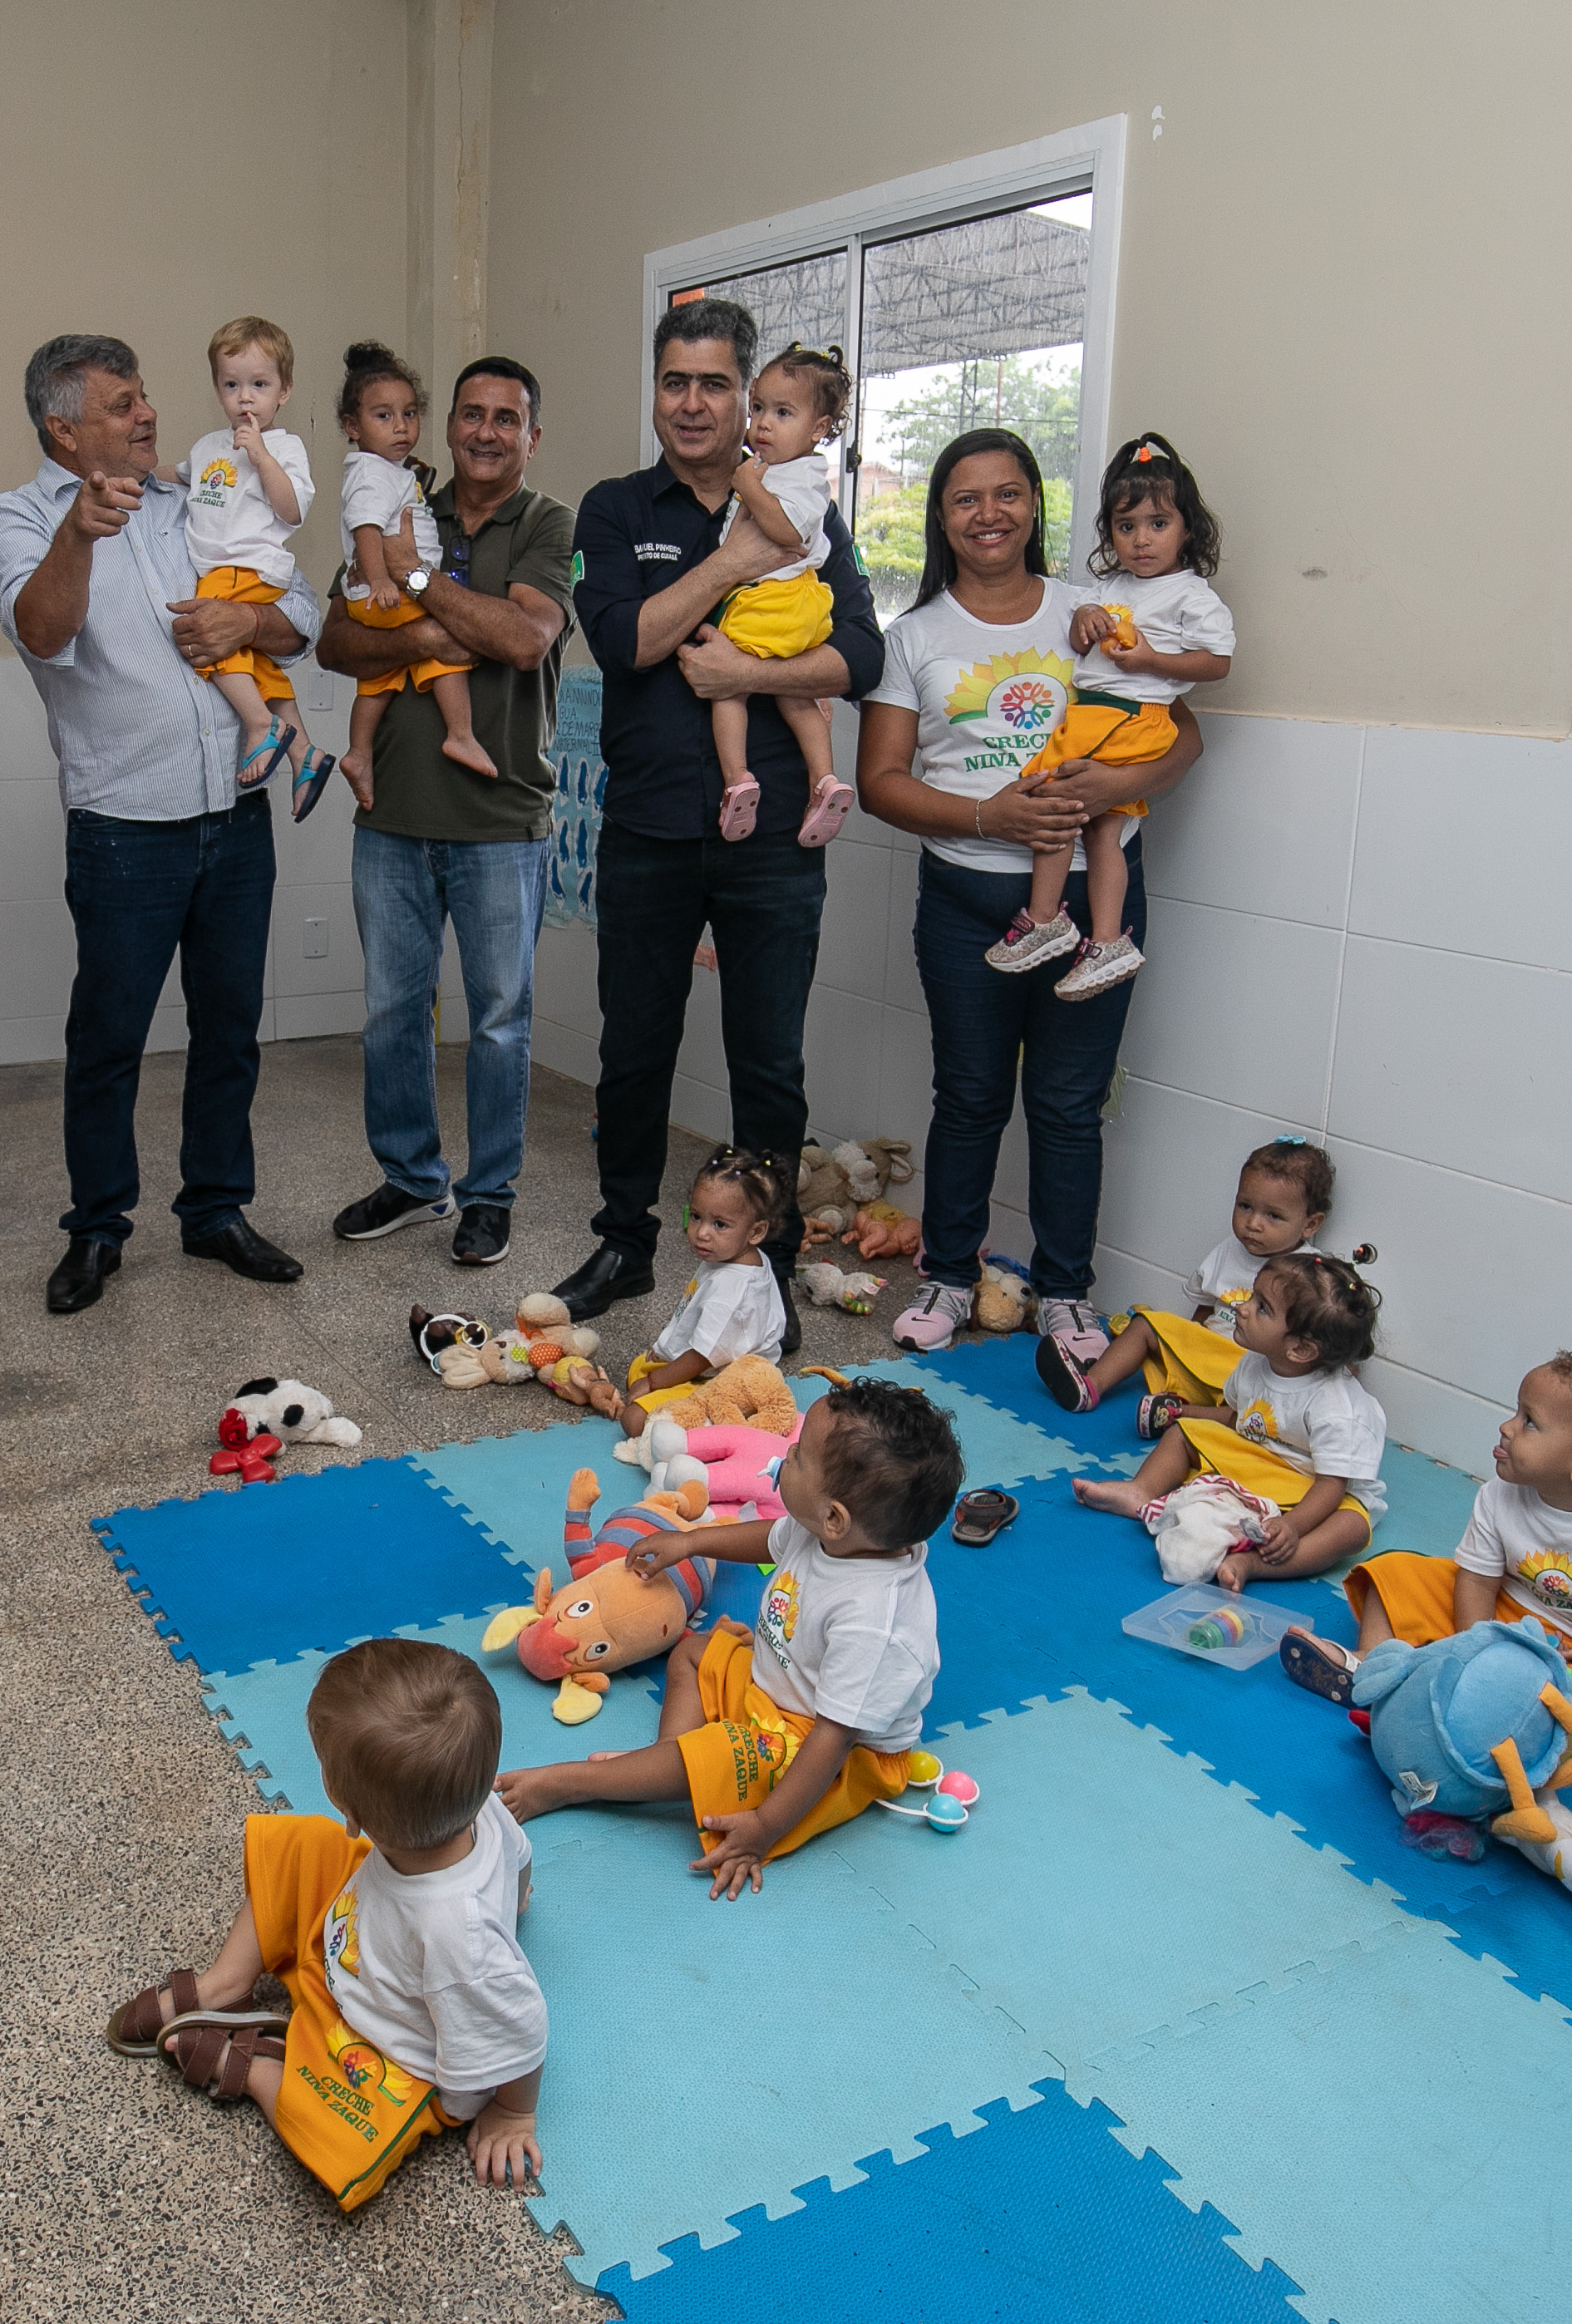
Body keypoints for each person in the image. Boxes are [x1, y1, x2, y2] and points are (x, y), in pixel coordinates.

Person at [549, 300, 884, 1350]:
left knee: (767, 1062)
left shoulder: (809, 508)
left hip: (773, 835)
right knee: (633, 1050)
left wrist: (748, 674)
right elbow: (624, 641)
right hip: (647, 829)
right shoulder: (613, 508)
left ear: (745, 397)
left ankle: (767, 1267)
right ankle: (624, 1242)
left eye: (714, 385)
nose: (692, 404)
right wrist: (737, 561)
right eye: (673, 382)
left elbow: (862, 655)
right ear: (654, 390)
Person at [0, 332, 318, 1315]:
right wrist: (78, 535)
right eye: (122, 403)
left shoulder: (191, 492)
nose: (148, 414)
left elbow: (299, 613)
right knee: (109, 1040)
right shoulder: (17, 518)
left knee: (231, 1030)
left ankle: (214, 1212)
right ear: (63, 428)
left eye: (143, 396)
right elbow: (41, 632)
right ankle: (96, 1229)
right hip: (125, 827)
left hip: (235, 815)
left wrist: (249, 624)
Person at [855, 427, 1205, 1362]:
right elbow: (880, 782)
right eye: (966, 498)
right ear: (941, 518)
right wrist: (990, 817)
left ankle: (1065, 1292)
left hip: (1095, 910)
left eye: (1007, 493)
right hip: (967, 903)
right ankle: (948, 1275)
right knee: (969, 1096)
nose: (989, 514)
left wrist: (1114, 787)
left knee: (1068, 1103)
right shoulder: (913, 637)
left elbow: (1183, 737)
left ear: (1035, 506)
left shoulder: (1096, 611)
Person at [102, 1637, 547, 2207]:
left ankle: (262, 2070)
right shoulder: (481, 1805)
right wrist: (514, 1896)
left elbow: (522, 2027)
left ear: (351, 1813)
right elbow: (519, 1856)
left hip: (382, 2045)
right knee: (300, 1845)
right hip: (359, 1931)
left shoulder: (459, 1939)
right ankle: (224, 1985)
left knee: (342, 2142)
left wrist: (512, 2112)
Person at [496, 1383, 958, 1896]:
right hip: (776, 1690)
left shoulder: (874, 1621)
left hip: (829, 1749)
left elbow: (832, 1739)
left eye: (798, 1456)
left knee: (720, 1752)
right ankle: (662, 1762)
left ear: (835, 1517)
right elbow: (768, 1538)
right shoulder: (830, 1534)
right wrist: (690, 1541)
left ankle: (567, 1784)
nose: (784, 1455)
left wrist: (764, 1827)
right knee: (694, 1651)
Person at [317, 356, 574, 1268]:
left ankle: (488, 1194)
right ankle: (412, 1178)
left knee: (499, 1019)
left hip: (501, 821)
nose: (486, 432)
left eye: (507, 418)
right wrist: (435, 629)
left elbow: (523, 637)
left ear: (531, 436)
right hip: (391, 814)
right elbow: (335, 639)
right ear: (449, 424)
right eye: (472, 413)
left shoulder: (546, 523)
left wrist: (418, 585)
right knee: (393, 1011)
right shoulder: (394, 496)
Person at [1287, 1352, 1572, 1755]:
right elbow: (1477, 1579)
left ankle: (1475, 1714)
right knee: (1396, 1571)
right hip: (1504, 1617)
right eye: (1516, 1413)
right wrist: (1476, 1647)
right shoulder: (1500, 1494)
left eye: (1529, 1422)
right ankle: (1372, 1666)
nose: (1507, 1426)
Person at [988, 433, 1236, 1000]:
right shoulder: (1108, 589)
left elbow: (1217, 662)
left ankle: (1050, 920)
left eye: (1158, 524)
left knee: (1053, 801)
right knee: (1101, 827)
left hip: (1133, 718)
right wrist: (1086, 620)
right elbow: (1084, 643)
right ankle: (1102, 940)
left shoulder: (1191, 596)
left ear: (1188, 529)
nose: (1142, 540)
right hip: (1093, 715)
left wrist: (1152, 660)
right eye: (1126, 527)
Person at [1074, 1252, 1386, 1590]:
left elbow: (1331, 1485)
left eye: (1262, 1308)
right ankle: (1141, 1490)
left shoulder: (1337, 1408)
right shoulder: (1254, 1364)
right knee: (1184, 1434)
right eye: (1252, 1296)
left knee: (1352, 1529)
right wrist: (1185, 1415)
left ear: (1300, 1349)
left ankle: (1253, 1564)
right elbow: (1239, 1419)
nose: (1242, 1307)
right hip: (1257, 1459)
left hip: (1313, 1485)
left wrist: (1293, 1526)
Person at [1039, 1138, 1332, 1423]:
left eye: (1274, 1216)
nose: (1253, 1224)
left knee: (1247, 1417)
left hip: (1250, 1371)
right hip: (1206, 1355)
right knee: (1145, 1325)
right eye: (1245, 1206)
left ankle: (1175, 1412)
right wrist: (1183, 1346)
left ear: (1310, 1224)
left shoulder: (1310, 1272)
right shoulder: (1228, 1251)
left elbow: (1323, 1335)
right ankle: (1091, 1386)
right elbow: (1204, 1309)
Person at [707, 344, 856, 848]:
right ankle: (825, 781)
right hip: (802, 605)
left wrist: (746, 485)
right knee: (796, 694)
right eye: (758, 409)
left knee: (728, 688)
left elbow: (786, 530)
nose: (763, 424)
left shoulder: (798, 476)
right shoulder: (785, 470)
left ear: (819, 429)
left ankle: (736, 780)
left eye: (783, 413)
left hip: (773, 599)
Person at [333, 340, 494, 805]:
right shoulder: (372, 473)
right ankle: (460, 733)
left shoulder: (390, 470)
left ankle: (359, 752)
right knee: (444, 642)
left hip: (377, 592)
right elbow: (365, 528)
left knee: (380, 678)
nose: (401, 427)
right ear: (352, 426)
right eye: (383, 416)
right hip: (389, 590)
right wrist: (384, 578)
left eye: (409, 414)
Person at [175, 317, 317, 784]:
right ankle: (305, 754)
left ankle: (259, 724)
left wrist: (261, 456)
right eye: (231, 385)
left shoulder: (285, 447)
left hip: (247, 567)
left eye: (260, 385)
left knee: (206, 635)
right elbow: (179, 475)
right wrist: (135, 474)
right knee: (255, 661)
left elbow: (291, 511)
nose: (245, 398)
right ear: (217, 389)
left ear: (284, 391)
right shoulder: (208, 446)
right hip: (219, 568)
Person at [583, 1146, 792, 1427]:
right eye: (695, 1216)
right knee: (638, 1368)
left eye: (720, 1224)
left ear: (756, 1231)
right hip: (709, 1363)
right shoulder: (736, 1254)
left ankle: (714, 1424)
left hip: (724, 1381)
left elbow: (701, 1357)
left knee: (633, 1420)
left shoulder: (730, 1291)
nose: (702, 1233)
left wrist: (654, 1382)